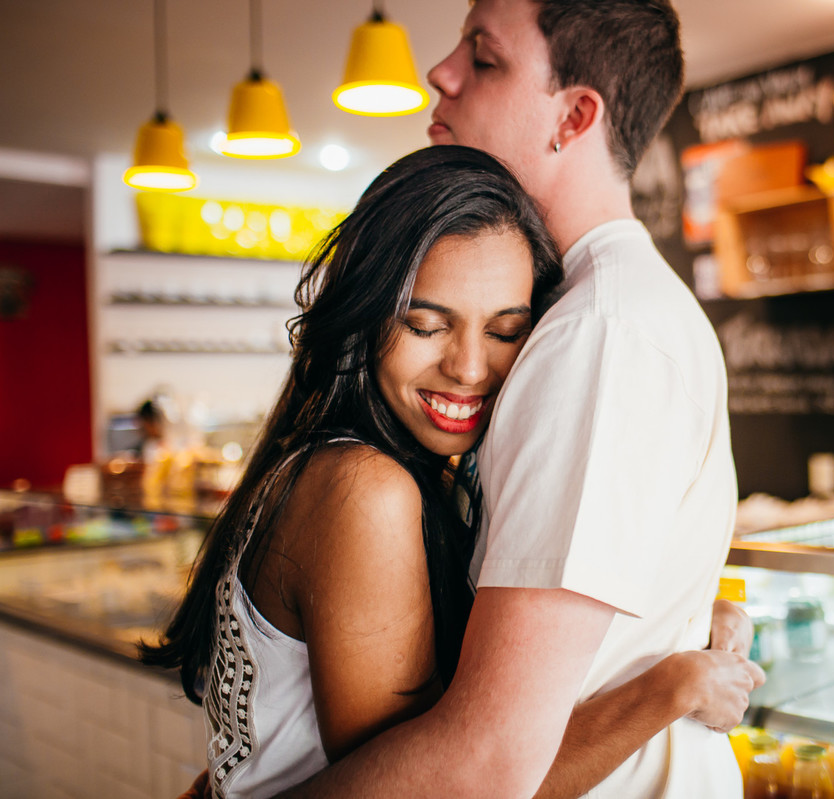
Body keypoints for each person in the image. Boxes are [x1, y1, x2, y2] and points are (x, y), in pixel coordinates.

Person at [144, 146, 761, 799]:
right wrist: (671, 685)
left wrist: (679, 618)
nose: (469, 366)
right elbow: (448, 785)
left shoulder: (348, 465)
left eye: (505, 330)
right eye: (427, 324)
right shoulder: (366, 490)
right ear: (365, 314)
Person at [280, 1, 751, 797]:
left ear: (574, 115)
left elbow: (487, 762)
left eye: (484, 57)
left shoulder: (599, 334)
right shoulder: (599, 314)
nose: (441, 72)